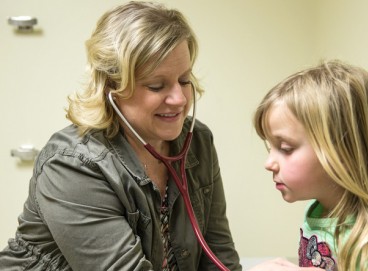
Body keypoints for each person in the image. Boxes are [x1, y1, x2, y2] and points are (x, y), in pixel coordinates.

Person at [0, 2, 241, 270]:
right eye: (156, 85)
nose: (179, 99)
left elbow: (219, 256)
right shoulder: (71, 166)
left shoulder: (197, 142)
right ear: (112, 88)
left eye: (184, 80)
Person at [252, 60, 368, 271]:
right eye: (270, 149)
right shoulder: (321, 211)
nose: (269, 164)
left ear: (342, 150)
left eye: (285, 148)